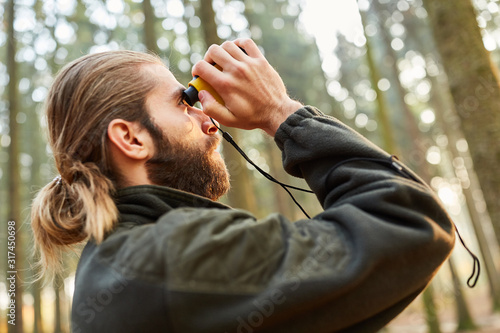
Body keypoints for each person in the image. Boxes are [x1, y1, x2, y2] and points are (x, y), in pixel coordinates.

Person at [31, 39, 455, 333]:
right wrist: (281, 111)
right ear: (132, 138)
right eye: (185, 102)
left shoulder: (125, 259)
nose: (210, 123)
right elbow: (411, 223)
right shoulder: (169, 257)